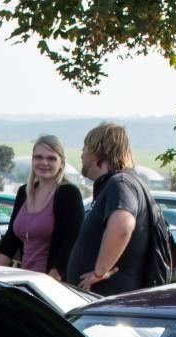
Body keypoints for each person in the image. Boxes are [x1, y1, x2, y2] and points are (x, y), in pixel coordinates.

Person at [68, 123, 167, 294]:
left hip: (108, 300)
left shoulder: (120, 183)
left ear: (98, 149)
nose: (81, 153)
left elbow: (123, 225)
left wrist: (99, 272)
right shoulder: (125, 182)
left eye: (85, 147)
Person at [0, 134, 82, 277]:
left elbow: (72, 243)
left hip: (52, 282)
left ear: (61, 163)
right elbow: (11, 239)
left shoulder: (69, 194)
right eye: (38, 157)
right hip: (24, 278)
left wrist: (52, 279)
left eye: (51, 158)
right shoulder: (24, 192)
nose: (44, 162)